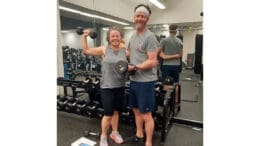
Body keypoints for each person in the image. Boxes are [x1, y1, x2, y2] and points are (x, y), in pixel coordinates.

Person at [82, 27, 129, 146]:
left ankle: (114, 132)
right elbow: (86, 50)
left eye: (117, 36)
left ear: (121, 37)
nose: (115, 38)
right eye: (112, 36)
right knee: (108, 114)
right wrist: (84, 37)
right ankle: (103, 136)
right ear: (108, 38)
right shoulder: (104, 50)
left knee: (116, 112)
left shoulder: (125, 50)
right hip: (107, 87)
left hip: (120, 86)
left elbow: (136, 59)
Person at [126, 4, 159, 146]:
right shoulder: (133, 36)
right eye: (137, 15)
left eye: (142, 16)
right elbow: (129, 53)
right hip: (134, 80)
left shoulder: (150, 37)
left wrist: (135, 67)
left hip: (145, 82)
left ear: (147, 19)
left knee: (146, 114)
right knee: (136, 110)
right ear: (134, 17)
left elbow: (153, 61)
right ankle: (139, 134)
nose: (139, 18)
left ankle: (149, 142)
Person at [158, 24, 183, 102]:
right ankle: (175, 101)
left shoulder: (164, 40)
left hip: (167, 66)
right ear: (176, 31)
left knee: (166, 83)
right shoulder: (180, 41)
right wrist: (174, 56)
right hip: (176, 65)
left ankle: (166, 101)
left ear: (169, 30)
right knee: (175, 83)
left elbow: (159, 53)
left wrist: (166, 57)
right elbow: (180, 55)